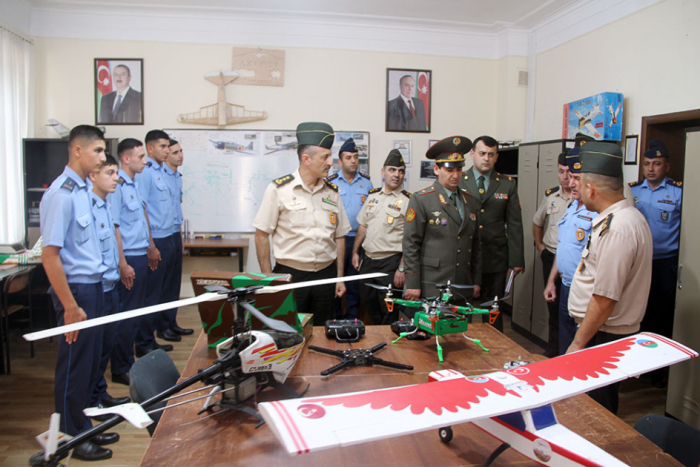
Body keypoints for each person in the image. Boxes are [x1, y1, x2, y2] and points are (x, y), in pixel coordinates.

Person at [39, 125, 119, 460]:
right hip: (76, 292)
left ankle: (83, 425)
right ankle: (69, 437)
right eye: (98, 151)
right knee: (73, 366)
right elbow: (50, 255)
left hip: (94, 287)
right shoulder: (61, 193)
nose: (102, 157)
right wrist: (70, 306)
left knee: (89, 364)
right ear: (78, 151)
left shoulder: (84, 190)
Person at [566, 142, 653, 414]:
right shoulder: (620, 219)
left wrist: (578, 343)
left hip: (603, 336)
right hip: (599, 332)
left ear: (592, 189)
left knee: (595, 412)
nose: (576, 188)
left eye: (581, 183)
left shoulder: (619, 229)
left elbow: (605, 298)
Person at [253, 122, 351, 325]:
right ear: (306, 159)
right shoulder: (279, 189)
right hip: (291, 276)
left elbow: (339, 236)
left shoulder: (332, 192)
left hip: (326, 276)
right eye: (325, 157)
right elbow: (262, 234)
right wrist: (267, 277)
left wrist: (339, 277)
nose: (331, 162)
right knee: (289, 331)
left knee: (322, 331)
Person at [403, 136, 481, 308]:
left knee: (460, 332)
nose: (455, 175)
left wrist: (476, 280)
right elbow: (411, 244)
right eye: (449, 169)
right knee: (430, 332)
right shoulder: (422, 199)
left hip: (462, 284)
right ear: (437, 169)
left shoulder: (471, 201)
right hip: (432, 283)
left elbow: (475, 244)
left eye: (459, 169)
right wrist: (413, 283)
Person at [630, 139, 682, 387]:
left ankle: (658, 371)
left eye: (657, 164)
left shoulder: (678, 193)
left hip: (665, 264)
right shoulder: (633, 192)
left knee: (662, 317)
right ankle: (637, 365)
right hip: (639, 263)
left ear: (667, 167)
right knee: (639, 313)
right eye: (647, 164)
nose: (651, 169)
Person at [459, 135, 524, 331]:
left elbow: (514, 224)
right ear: (472, 154)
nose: (486, 158)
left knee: (493, 310)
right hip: (465, 257)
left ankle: (494, 351)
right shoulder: (460, 181)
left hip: (495, 258)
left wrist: (517, 260)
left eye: (491, 154)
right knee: (463, 310)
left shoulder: (507, 184)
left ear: (496, 157)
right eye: (482, 154)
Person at [87, 154, 131, 415]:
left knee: (104, 348)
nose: (116, 178)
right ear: (94, 176)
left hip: (110, 285)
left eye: (116, 172)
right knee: (92, 352)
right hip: (96, 289)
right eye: (110, 173)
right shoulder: (87, 206)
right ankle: (90, 403)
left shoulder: (105, 204)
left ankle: (99, 394)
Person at [544, 146, 598, 354]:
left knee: (582, 344)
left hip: (584, 288)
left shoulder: (595, 212)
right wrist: (551, 281)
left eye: (576, 177)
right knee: (565, 338)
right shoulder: (571, 207)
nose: (570, 182)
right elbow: (563, 247)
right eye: (570, 176)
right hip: (566, 284)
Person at [110, 138, 153, 385]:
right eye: (140, 157)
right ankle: (120, 368)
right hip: (129, 258)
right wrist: (122, 263)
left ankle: (129, 362)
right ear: (126, 158)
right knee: (125, 316)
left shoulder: (134, 184)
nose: (144, 161)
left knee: (136, 314)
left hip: (139, 254)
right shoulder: (117, 187)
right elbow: (115, 227)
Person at [353, 149, 410, 324]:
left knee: (389, 311)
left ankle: (389, 347)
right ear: (383, 171)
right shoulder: (372, 196)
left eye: (401, 171)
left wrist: (402, 268)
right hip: (368, 261)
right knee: (369, 305)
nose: (396, 175)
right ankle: (379, 340)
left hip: (390, 263)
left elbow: (411, 239)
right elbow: (363, 226)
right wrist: (355, 252)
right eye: (392, 170)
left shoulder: (409, 201)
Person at [133, 130, 176, 356]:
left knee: (159, 294)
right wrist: (151, 245)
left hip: (167, 236)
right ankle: (143, 344)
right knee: (150, 297)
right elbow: (143, 210)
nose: (167, 150)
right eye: (162, 146)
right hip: (155, 239)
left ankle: (150, 340)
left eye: (168, 146)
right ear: (150, 148)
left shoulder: (161, 171)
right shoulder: (146, 172)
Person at [327, 138, 373, 319]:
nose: (353, 161)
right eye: (348, 157)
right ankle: (336, 317)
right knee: (335, 280)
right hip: (337, 239)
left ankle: (353, 318)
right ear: (340, 161)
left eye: (355, 157)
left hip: (358, 240)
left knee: (354, 283)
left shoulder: (367, 183)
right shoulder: (330, 183)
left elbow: (370, 213)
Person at [532, 151, 572, 357]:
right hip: (551, 255)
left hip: (571, 261)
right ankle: (553, 348)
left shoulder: (579, 198)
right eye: (560, 172)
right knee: (553, 307)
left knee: (569, 310)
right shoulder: (551, 196)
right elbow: (537, 222)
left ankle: (567, 351)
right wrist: (540, 247)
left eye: (568, 172)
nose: (564, 177)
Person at [159, 139, 193, 338]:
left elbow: (176, 209)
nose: (180, 155)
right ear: (166, 156)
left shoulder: (177, 177)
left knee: (173, 284)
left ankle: (171, 322)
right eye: (175, 152)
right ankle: (161, 328)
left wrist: (180, 238)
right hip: (161, 236)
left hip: (173, 234)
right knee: (162, 287)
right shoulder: (158, 176)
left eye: (181, 151)